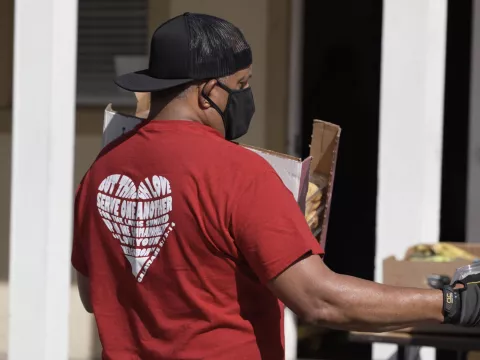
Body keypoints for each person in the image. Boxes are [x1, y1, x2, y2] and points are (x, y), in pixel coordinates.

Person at [72, 12, 480, 360]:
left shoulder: (101, 171)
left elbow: (95, 297)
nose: (247, 97)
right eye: (243, 84)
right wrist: (455, 302)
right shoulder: (239, 173)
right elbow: (320, 301)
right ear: (209, 91)